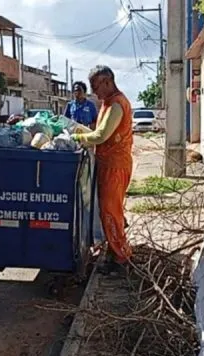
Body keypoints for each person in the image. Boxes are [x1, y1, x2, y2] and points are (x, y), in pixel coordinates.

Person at [71, 66, 133, 269]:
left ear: (107, 81)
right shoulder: (108, 103)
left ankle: (121, 257)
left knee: (111, 211)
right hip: (108, 163)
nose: (94, 92)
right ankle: (115, 250)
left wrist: (77, 137)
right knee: (108, 211)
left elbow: (100, 136)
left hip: (115, 166)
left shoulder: (116, 104)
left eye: (96, 86)